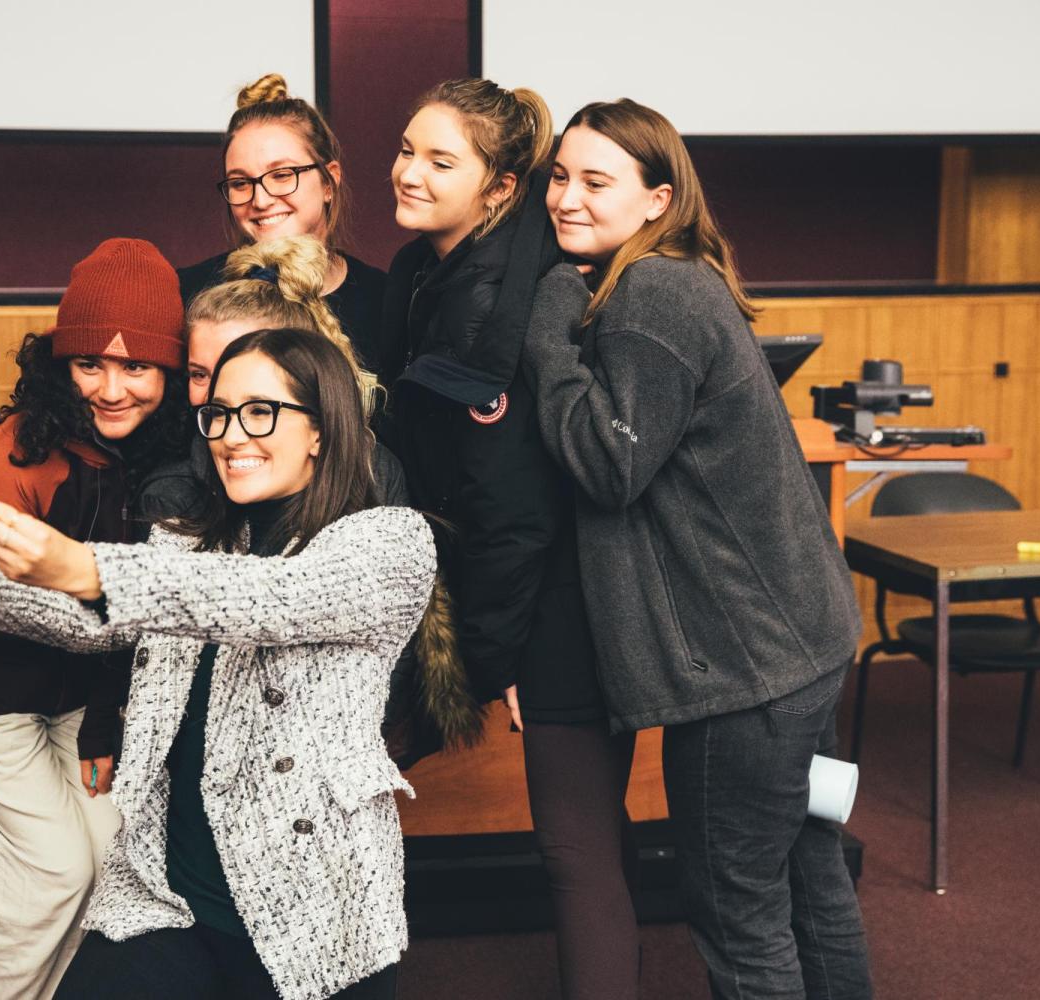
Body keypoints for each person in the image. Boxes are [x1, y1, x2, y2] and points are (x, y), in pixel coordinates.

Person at [0, 327, 435, 1000]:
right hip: (168, 900)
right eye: (219, 414)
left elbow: (269, 599)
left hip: (313, 918)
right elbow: (89, 622)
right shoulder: (191, 542)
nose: (233, 435)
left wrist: (83, 566)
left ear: (322, 429)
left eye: (261, 411)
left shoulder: (389, 543)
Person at [522, 98, 873, 1000]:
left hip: (743, 678)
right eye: (559, 176)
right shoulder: (682, 278)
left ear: (657, 198)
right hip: (796, 652)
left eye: (597, 181)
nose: (567, 197)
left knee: (738, 912)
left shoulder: (649, 296)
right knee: (808, 879)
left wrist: (551, 317)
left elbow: (610, 464)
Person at [380, 78, 629, 997]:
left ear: (498, 189)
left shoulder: (505, 309)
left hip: (556, 604)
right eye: (407, 148)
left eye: (440, 160)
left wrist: (489, 659)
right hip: (509, 592)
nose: (407, 171)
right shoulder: (427, 274)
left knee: (576, 850)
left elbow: (512, 513)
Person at [0, 237, 190, 999]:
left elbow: (130, 611)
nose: (113, 388)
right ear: (60, 366)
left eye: (137, 366)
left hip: (73, 687)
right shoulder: (9, 457)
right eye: (91, 364)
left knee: (110, 854)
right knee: (54, 870)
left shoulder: (168, 453)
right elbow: (6, 607)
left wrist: (100, 719)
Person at [144, 233, 481, 766]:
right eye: (199, 375)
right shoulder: (176, 492)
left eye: (244, 372)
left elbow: (374, 638)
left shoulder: (373, 476)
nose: (215, 396)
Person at [178, 73, 385, 364]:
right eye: (240, 183)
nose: (260, 200)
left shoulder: (385, 301)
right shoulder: (189, 292)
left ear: (329, 181)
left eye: (282, 175)